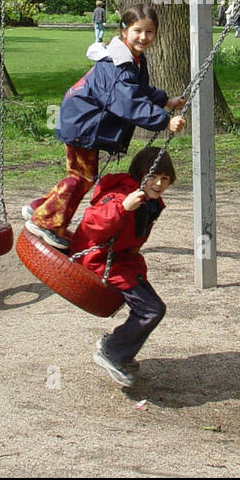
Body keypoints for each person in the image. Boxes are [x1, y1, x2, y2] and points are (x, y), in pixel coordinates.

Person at [25, 5, 186, 249]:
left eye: (150, 32)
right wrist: (164, 120)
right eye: (137, 31)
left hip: (83, 120)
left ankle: (41, 207)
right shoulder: (117, 62)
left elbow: (138, 90)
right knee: (81, 176)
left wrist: (164, 100)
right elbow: (127, 101)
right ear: (124, 31)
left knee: (82, 175)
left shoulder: (132, 59)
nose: (144, 37)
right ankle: (45, 221)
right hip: (83, 122)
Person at [79, 145, 177, 386]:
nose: (158, 184)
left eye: (164, 179)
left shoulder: (152, 202)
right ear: (139, 175)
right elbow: (92, 224)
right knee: (151, 309)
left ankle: (117, 347)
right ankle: (112, 350)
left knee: (155, 308)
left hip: (124, 263)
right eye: (152, 177)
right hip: (101, 261)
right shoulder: (121, 195)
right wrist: (122, 208)